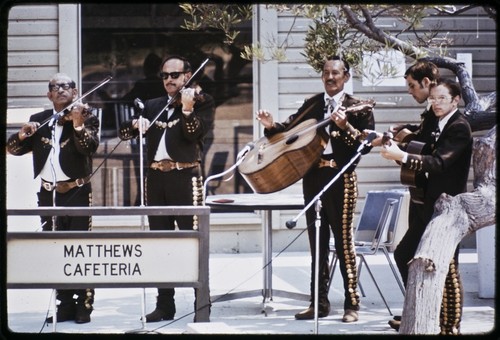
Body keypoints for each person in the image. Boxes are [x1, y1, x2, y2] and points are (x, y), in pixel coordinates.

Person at [256, 56, 375, 322]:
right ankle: (318, 303)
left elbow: (365, 144)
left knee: (343, 242)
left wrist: (344, 127)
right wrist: (271, 125)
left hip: (340, 177)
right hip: (312, 177)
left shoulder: (359, 107)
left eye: (335, 73)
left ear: (346, 77)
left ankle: (352, 304)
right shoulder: (313, 104)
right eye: (325, 73)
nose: (330, 77)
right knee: (317, 242)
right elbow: (288, 130)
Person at [118, 55, 215, 322]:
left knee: (193, 244)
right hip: (155, 180)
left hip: (185, 178)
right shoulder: (152, 105)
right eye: (165, 76)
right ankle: (165, 305)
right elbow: (123, 133)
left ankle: (201, 304)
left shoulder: (202, 103)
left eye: (175, 75)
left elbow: (194, 134)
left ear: (188, 75)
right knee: (160, 245)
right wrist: (136, 124)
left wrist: (186, 109)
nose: (169, 80)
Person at [380, 77, 472, 335]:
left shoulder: (459, 127)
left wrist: (404, 156)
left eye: (442, 98)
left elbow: (439, 162)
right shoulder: (435, 121)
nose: (436, 103)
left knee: (447, 266)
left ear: (455, 100)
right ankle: (420, 308)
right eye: (432, 99)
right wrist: (393, 143)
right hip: (425, 203)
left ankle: (450, 325)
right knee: (404, 254)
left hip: (446, 208)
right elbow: (418, 138)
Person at [7, 73, 100, 324]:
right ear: (48, 94)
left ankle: (84, 305)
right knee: (55, 248)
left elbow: (89, 148)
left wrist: (78, 123)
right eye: (54, 87)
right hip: (48, 193)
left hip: (77, 192)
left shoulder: (88, 116)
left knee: (80, 249)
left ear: (75, 91)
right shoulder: (39, 120)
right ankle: (65, 304)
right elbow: (12, 149)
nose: (60, 89)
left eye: (65, 86)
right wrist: (22, 135)